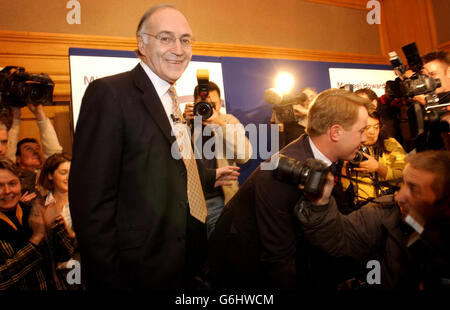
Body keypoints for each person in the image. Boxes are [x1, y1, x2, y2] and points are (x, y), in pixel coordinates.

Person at [69, 4, 239, 290]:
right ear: (142, 44)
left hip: (186, 261)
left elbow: (163, 164)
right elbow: (90, 203)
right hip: (138, 271)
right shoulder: (109, 94)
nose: (179, 48)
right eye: (165, 38)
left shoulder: (175, 101)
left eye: (185, 40)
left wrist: (207, 177)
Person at [206, 89, 372, 289]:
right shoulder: (280, 174)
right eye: (361, 131)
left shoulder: (318, 156)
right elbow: (279, 260)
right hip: (244, 275)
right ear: (335, 132)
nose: (364, 139)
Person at [297, 150, 450, 289]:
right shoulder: (387, 213)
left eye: (414, 190)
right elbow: (339, 238)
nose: (399, 196)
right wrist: (321, 204)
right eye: (403, 183)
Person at [184, 81, 252, 237]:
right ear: (194, 104)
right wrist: (183, 123)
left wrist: (219, 125)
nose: (208, 109)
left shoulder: (228, 121)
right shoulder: (186, 122)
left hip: (220, 198)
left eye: (213, 104)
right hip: (190, 201)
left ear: (220, 103)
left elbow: (244, 156)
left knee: (220, 249)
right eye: (203, 104)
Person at [0, 157, 76, 290]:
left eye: (12, 183)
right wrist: (36, 238)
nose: (7, 191)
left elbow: (67, 253)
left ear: (21, 184)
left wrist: (59, 228)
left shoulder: (35, 210)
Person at [342, 111, 406, 208]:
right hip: (360, 206)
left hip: (389, 202)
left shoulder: (390, 144)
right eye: (367, 127)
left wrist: (378, 168)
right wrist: (344, 167)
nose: (372, 132)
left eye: (376, 127)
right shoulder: (349, 147)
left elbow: (404, 175)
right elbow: (343, 188)